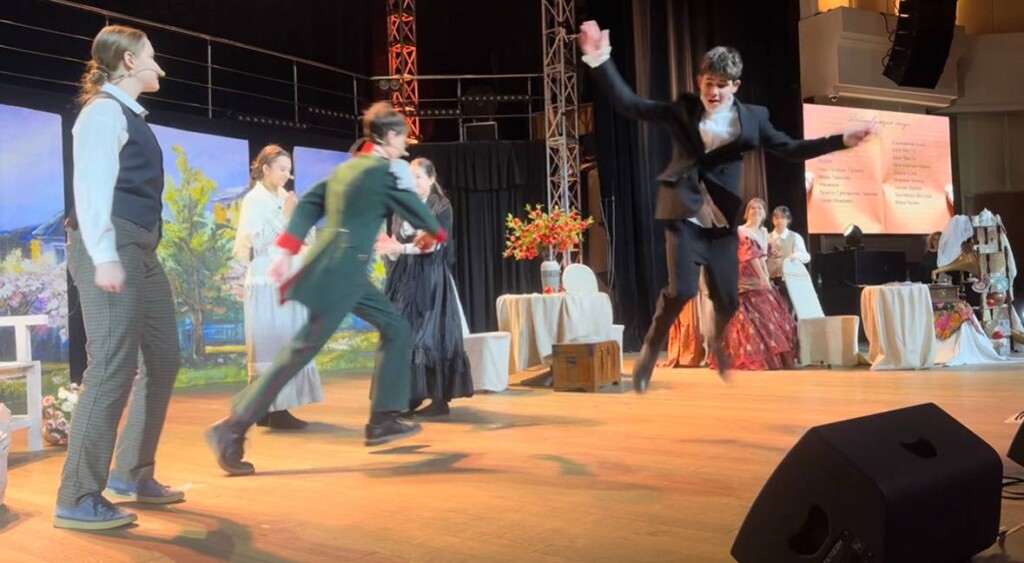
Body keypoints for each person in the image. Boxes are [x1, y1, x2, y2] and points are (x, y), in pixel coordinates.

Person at [577, 20, 872, 391]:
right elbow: (631, 104)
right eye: (708, 83)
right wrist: (599, 58)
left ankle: (717, 342)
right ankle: (650, 349)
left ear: (735, 85)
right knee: (682, 290)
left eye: (721, 85)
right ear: (699, 81)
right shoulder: (683, 110)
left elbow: (791, 149)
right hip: (684, 216)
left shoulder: (754, 119)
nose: (714, 92)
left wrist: (840, 141)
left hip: (720, 225)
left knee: (730, 300)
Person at [206, 102, 447, 476]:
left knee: (395, 328)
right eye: (403, 137)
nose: (405, 144)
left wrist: (288, 249)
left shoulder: (349, 169)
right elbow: (417, 211)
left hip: (343, 269)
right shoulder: (381, 172)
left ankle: (383, 419)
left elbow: (310, 205)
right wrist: (436, 232)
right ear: (389, 136)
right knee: (300, 351)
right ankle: (233, 426)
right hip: (342, 272)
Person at [56, 25, 183, 531]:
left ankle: (131, 473)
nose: (160, 66)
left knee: (164, 357)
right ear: (129, 61)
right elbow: (90, 188)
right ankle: (77, 494)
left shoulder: (130, 115)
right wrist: (104, 254)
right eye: (152, 56)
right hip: (110, 243)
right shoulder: (103, 113)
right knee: (111, 363)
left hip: (140, 248)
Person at [233, 145, 324, 430]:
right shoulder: (254, 200)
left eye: (289, 170)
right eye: (282, 169)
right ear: (265, 169)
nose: (287, 174)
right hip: (265, 278)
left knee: (286, 339)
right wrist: (287, 216)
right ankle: (269, 408)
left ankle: (274, 407)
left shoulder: (286, 197)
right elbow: (258, 243)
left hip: (286, 276)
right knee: (271, 344)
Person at [376, 158, 473, 417]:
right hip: (404, 278)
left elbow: (436, 242)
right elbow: (396, 243)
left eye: (418, 176)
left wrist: (401, 248)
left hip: (430, 279)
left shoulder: (441, 206)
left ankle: (439, 399)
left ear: (431, 179)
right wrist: (389, 249)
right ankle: (409, 396)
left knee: (429, 335)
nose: (414, 182)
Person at [709, 198, 798, 371]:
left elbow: (762, 258)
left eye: (760, 208)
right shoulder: (742, 231)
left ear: (764, 213)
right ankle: (748, 355)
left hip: (759, 275)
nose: (756, 211)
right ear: (747, 212)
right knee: (748, 316)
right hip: (746, 275)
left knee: (771, 315)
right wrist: (762, 277)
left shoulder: (764, 232)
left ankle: (772, 356)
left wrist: (766, 277)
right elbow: (751, 257)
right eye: (753, 208)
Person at [766, 205, 811, 308]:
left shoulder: (795, 237)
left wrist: (795, 255)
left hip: (789, 280)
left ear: (788, 220)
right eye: (777, 218)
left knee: (788, 308)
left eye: (783, 218)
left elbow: (806, 256)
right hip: (770, 280)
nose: (779, 221)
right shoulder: (767, 238)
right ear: (773, 220)